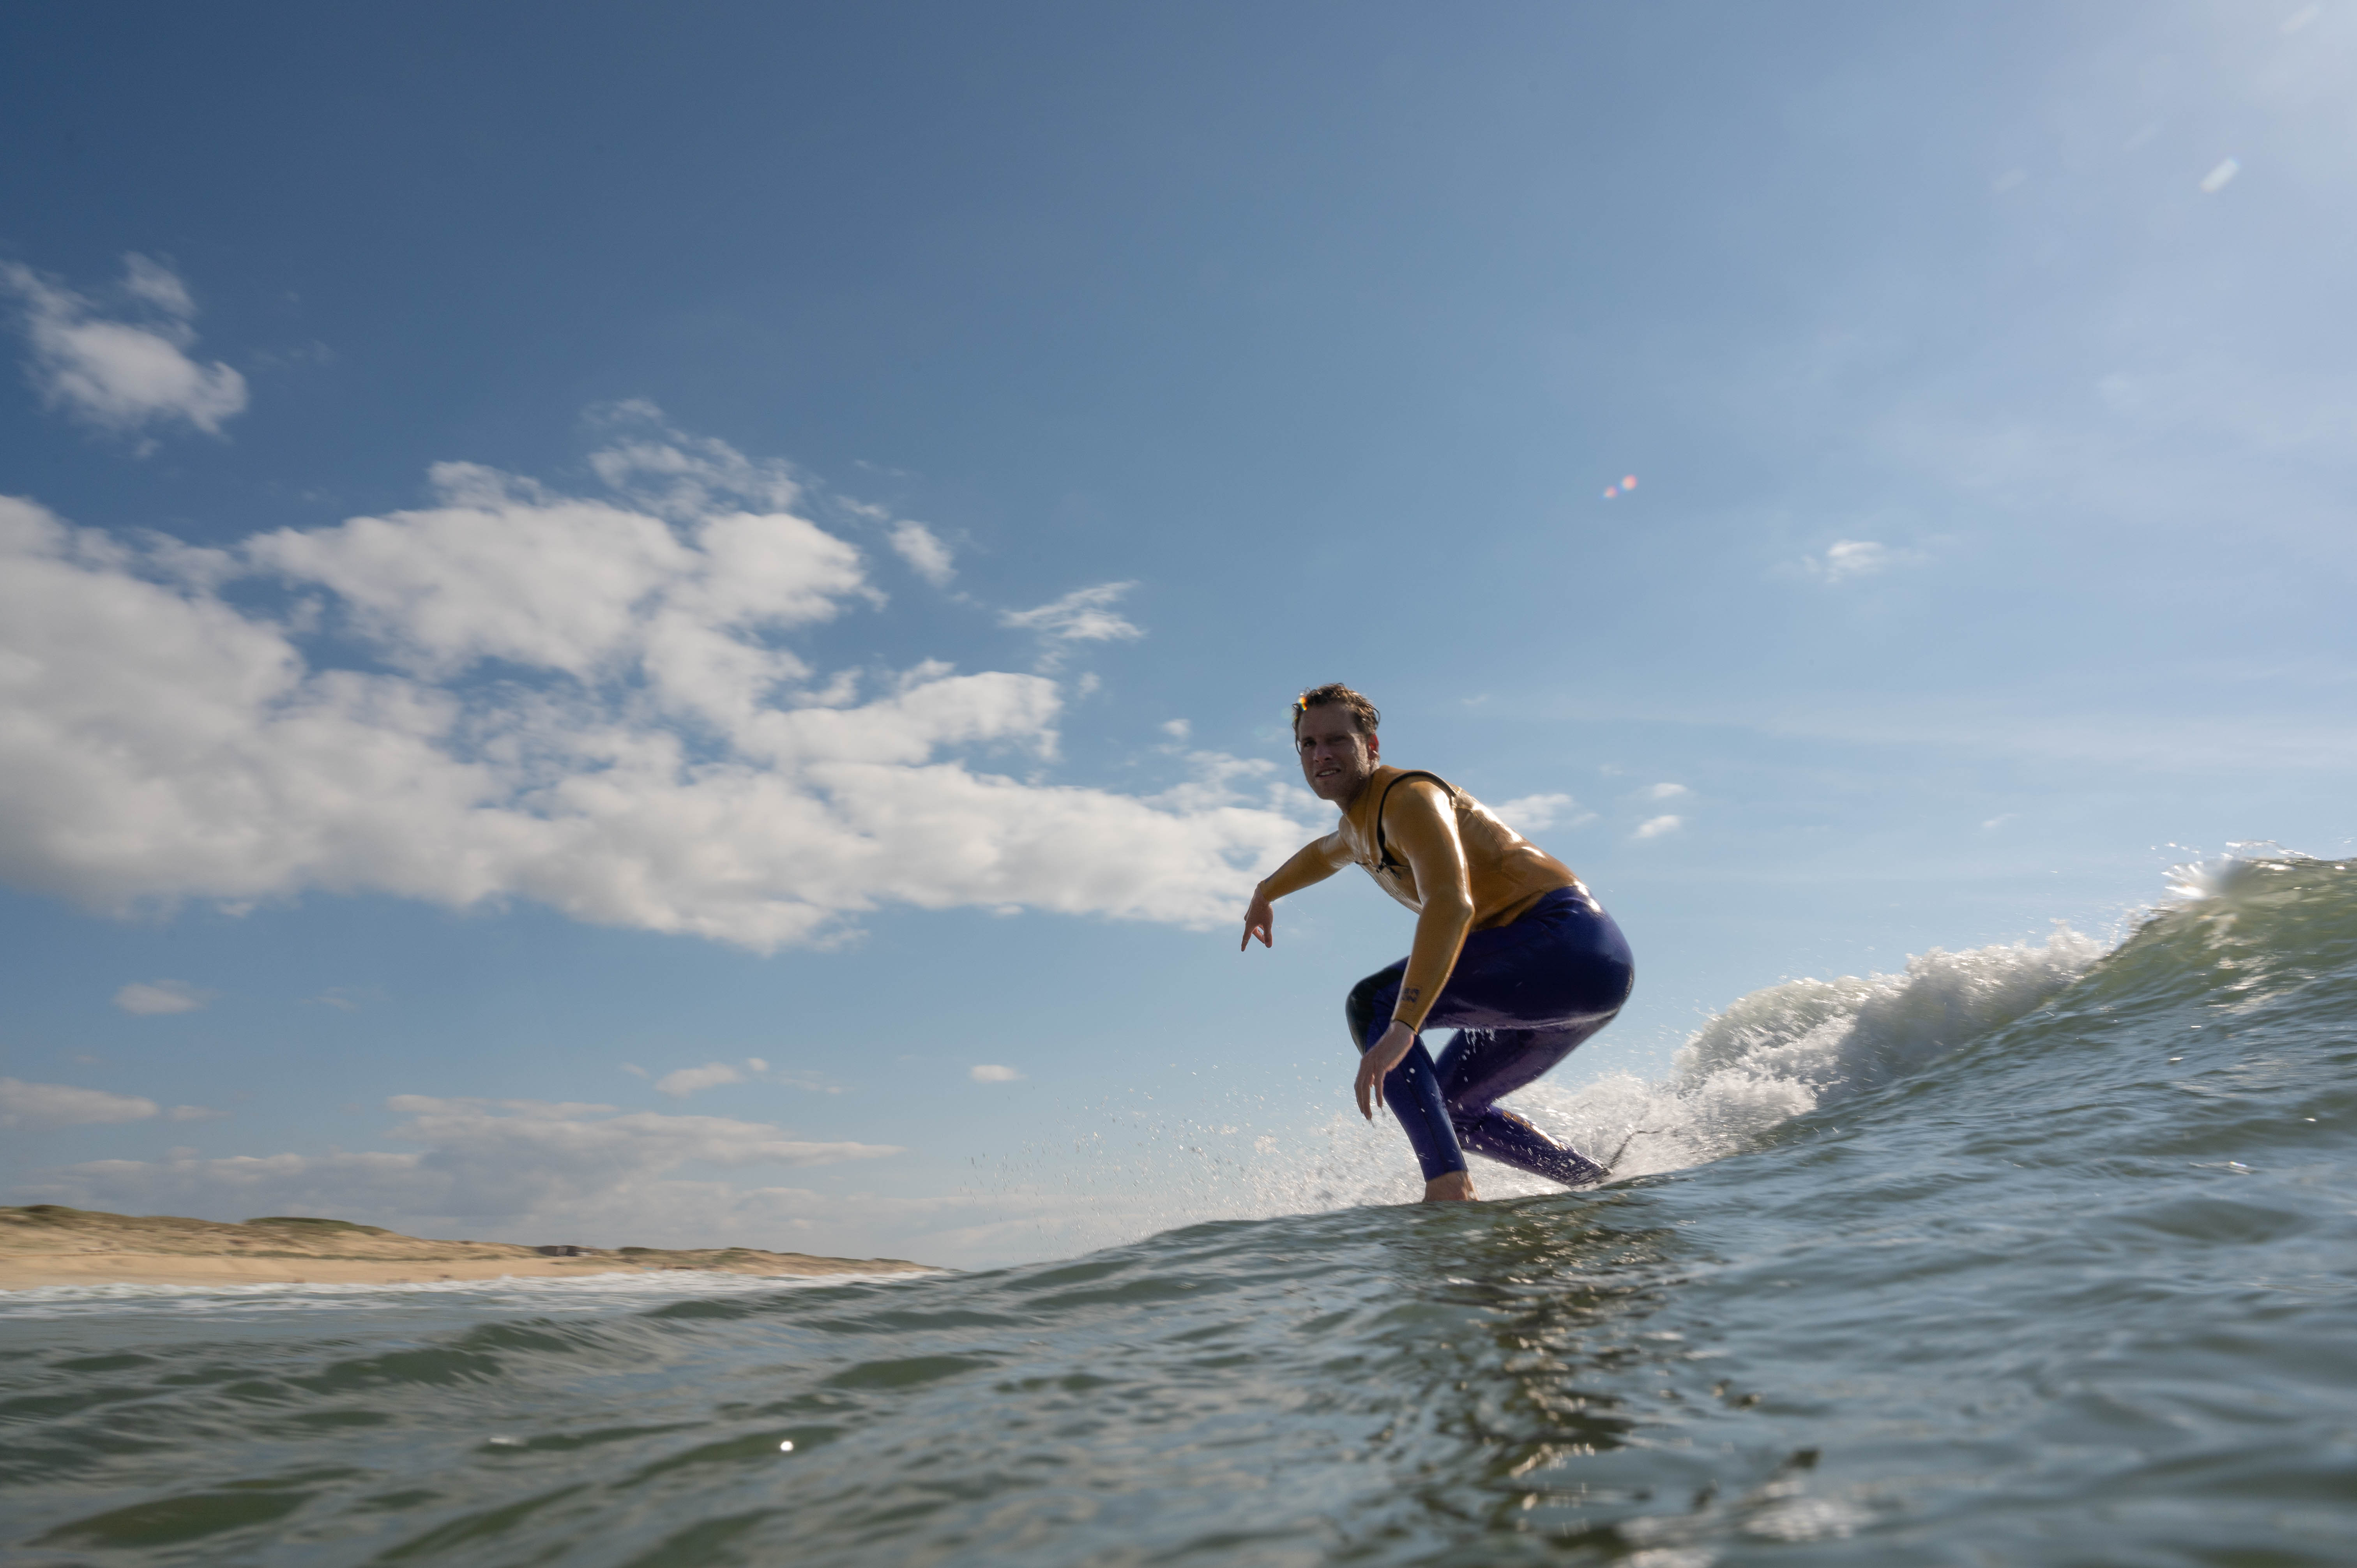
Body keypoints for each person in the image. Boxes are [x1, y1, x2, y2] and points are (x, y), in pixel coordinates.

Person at [1240, 683, 1634, 1202]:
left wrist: (1404, 1024)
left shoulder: (1410, 799)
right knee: (1452, 1111)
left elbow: (1451, 903)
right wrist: (1265, 892)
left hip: (1566, 944)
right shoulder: (1357, 827)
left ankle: (1449, 1189)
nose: (1322, 754)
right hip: (1562, 982)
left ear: (1372, 747)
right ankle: (1598, 1187)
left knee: (1373, 1002)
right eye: (1308, 745)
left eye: (1336, 740)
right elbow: (1324, 854)